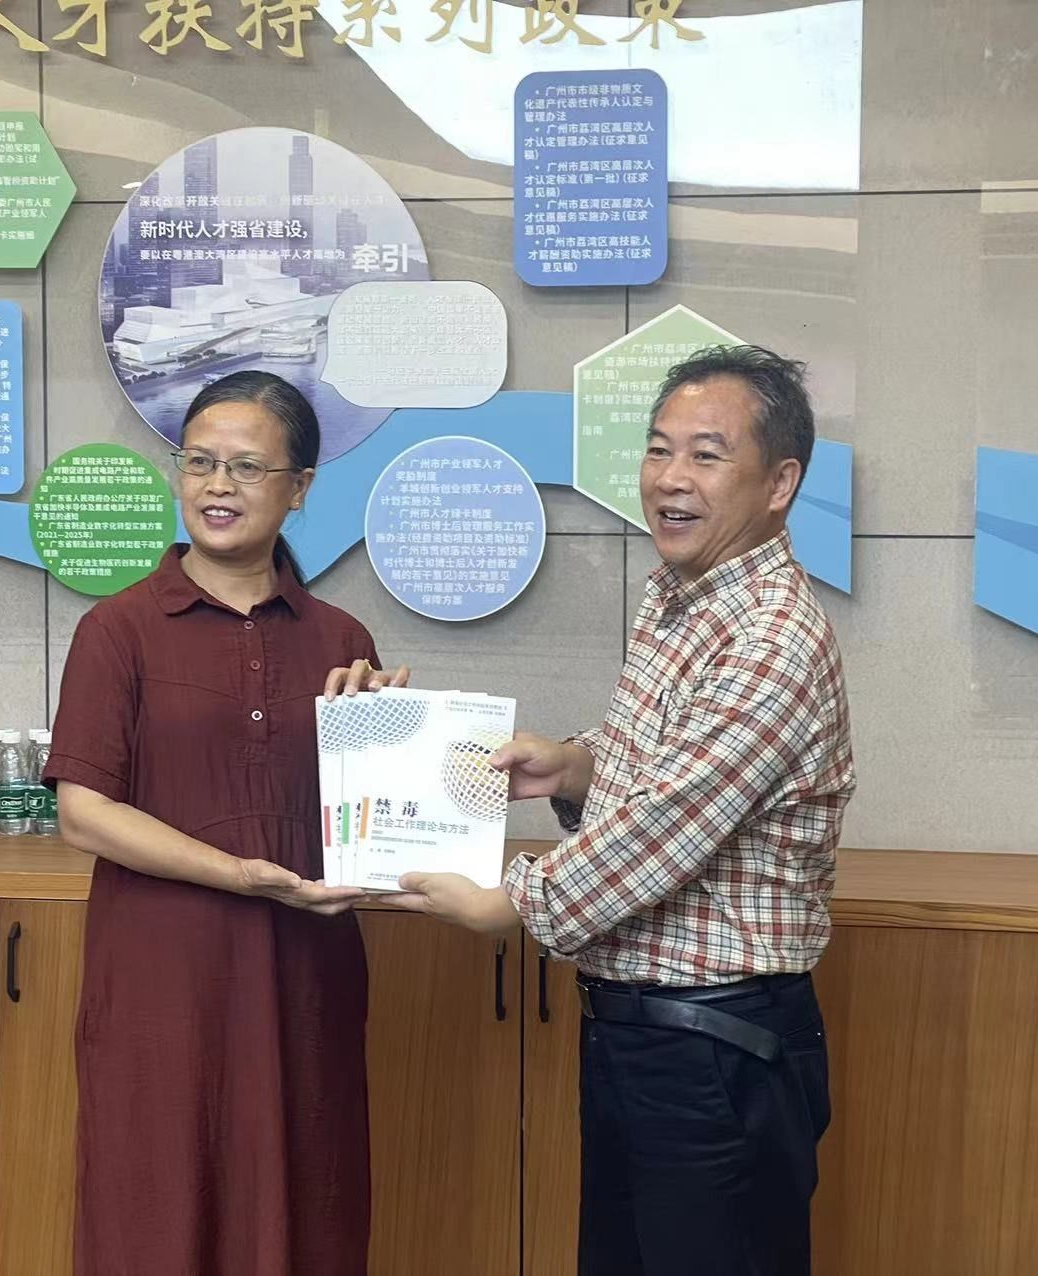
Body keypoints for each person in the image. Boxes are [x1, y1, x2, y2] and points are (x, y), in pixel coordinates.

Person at [326, 344, 856, 1276]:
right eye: (658, 448)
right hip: (646, 1035)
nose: (670, 478)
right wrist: (572, 767)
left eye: (706, 454)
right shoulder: (684, 598)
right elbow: (656, 758)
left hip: (717, 1048)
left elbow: (664, 828)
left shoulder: (772, 634)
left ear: (780, 483)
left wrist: (502, 903)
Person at [46, 370, 401, 1276]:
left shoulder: (342, 640)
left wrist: (397, 736)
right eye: (199, 462)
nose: (217, 485)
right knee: (155, 1203)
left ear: (300, 487)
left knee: (306, 1198)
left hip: (303, 977)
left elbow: (370, 827)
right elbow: (84, 813)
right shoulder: (119, 631)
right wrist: (238, 874)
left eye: (247, 467)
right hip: (163, 977)